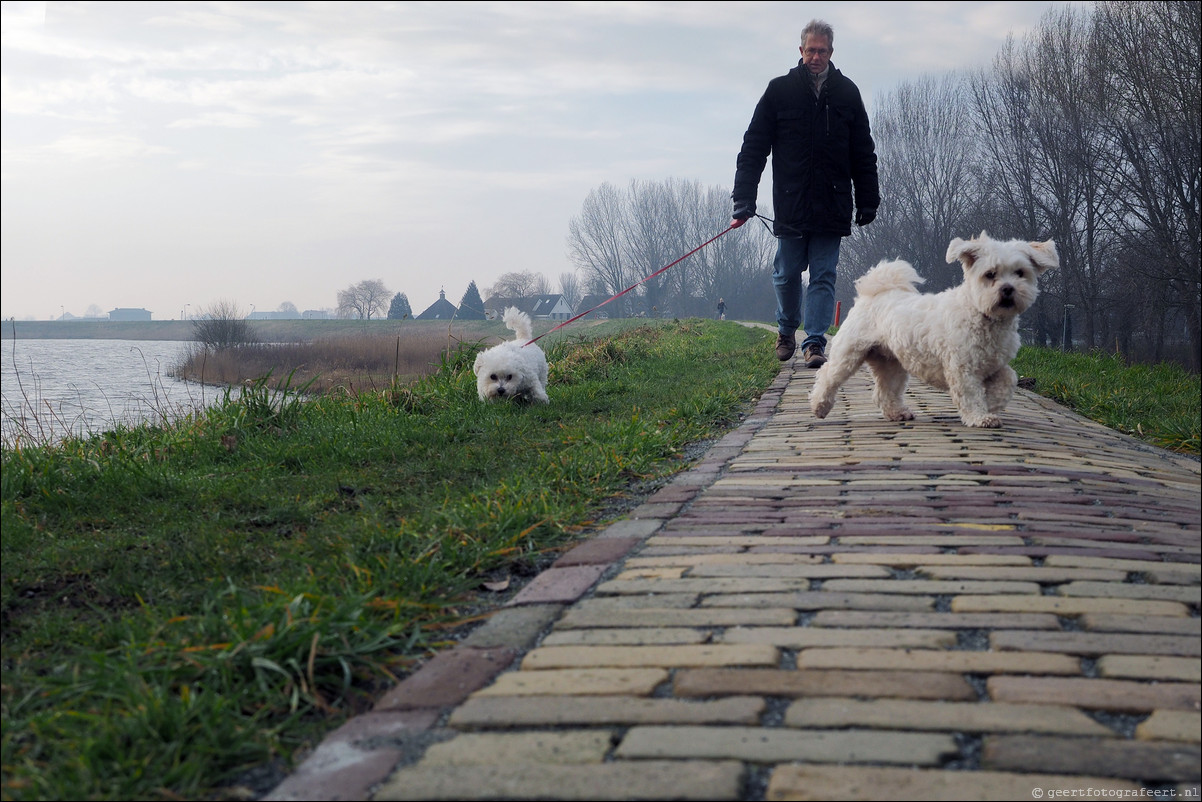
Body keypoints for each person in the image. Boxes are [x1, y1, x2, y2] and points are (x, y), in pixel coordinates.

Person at [731, 19, 879, 367]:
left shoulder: (847, 93)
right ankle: (786, 330)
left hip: (833, 203)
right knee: (785, 273)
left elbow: (863, 152)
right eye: (810, 50)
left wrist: (869, 198)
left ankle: (814, 343)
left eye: (822, 50)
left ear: (831, 52)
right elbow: (753, 147)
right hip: (791, 201)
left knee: (824, 275)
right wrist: (743, 199)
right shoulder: (779, 91)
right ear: (801, 51)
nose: (816, 56)